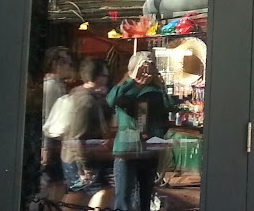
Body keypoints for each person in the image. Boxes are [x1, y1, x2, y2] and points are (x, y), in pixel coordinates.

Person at [108, 52, 170, 211]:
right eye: (143, 67)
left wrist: (160, 84)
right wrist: (132, 80)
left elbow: (169, 108)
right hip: (127, 152)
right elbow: (111, 100)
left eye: (150, 67)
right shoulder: (126, 89)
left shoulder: (155, 91)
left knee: (145, 199)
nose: (146, 72)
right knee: (123, 200)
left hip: (148, 151)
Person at [61, 59, 114, 209]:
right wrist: (84, 167)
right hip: (81, 158)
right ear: (96, 77)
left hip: (72, 157)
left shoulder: (78, 93)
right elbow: (77, 137)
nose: (107, 79)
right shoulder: (87, 102)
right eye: (104, 75)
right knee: (102, 193)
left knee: (77, 194)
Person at [40, 47, 75, 202]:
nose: (69, 66)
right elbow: (48, 117)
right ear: (56, 64)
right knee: (55, 184)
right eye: (66, 62)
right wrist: (46, 147)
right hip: (53, 141)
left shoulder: (56, 85)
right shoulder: (52, 86)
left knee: (56, 183)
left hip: (55, 142)